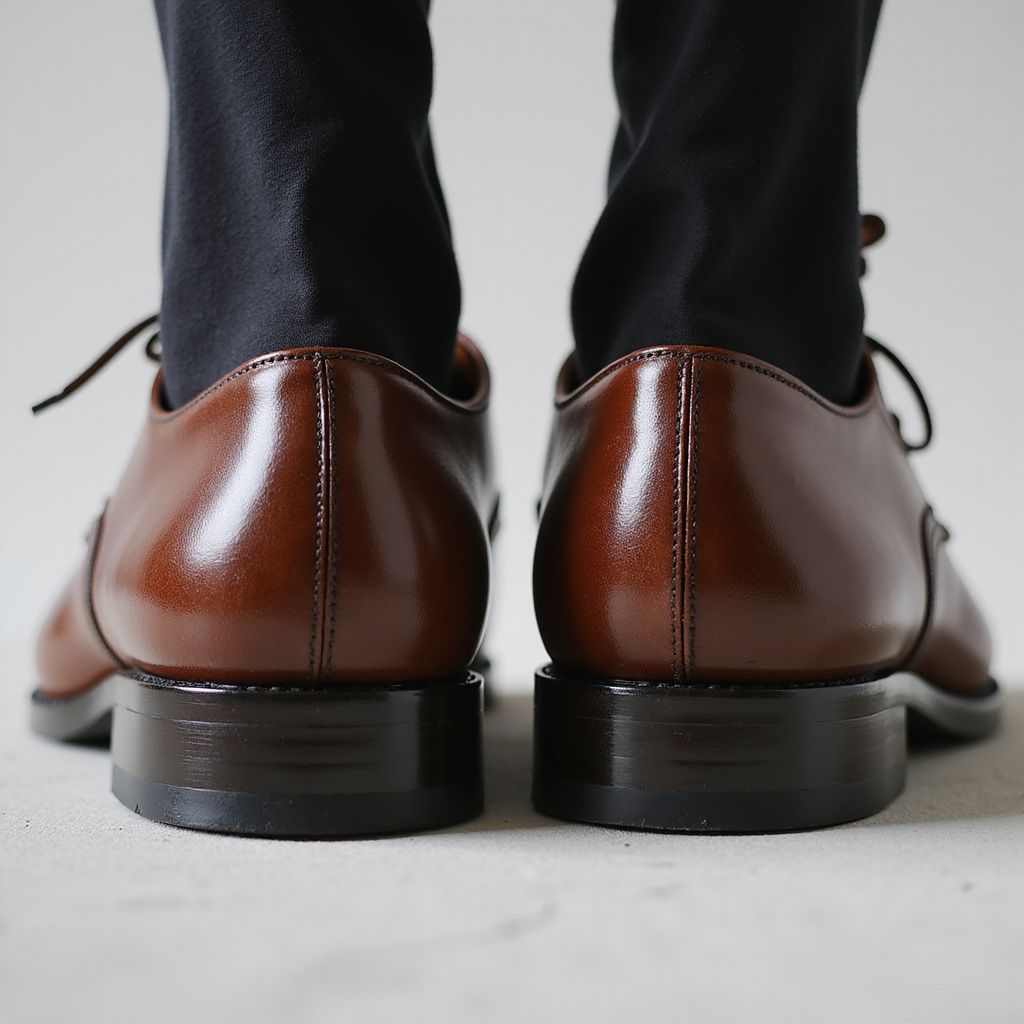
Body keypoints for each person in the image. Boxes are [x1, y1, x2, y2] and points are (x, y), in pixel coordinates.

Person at [30, 1, 1000, 837]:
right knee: (734, 243)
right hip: (780, 549)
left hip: (227, 546)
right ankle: (759, 386)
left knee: (290, 251)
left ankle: (259, 362)